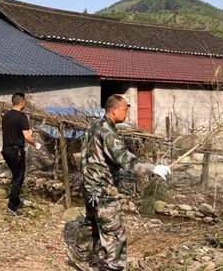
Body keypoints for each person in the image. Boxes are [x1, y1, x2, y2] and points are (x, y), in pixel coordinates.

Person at [68, 94, 171, 271]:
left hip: (90, 189)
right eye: (125, 109)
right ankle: (113, 267)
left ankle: (80, 256)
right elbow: (125, 159)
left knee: (92, 219)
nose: (127, 113)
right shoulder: (108, 132)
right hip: (102, 191)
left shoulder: (95, 125)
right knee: (115, 232)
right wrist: (152, 168)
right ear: (114, 110)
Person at [1, 92, 41, 216]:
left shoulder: (6, 116)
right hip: (16, 151)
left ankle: (16, 200)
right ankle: (12, 208)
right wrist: (35, 144)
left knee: (15, 176)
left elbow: (15, 131)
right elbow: (27, 137)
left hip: (6, 149)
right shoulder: (21, 116)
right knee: (18, 179)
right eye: (25, 102)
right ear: (22, 103)